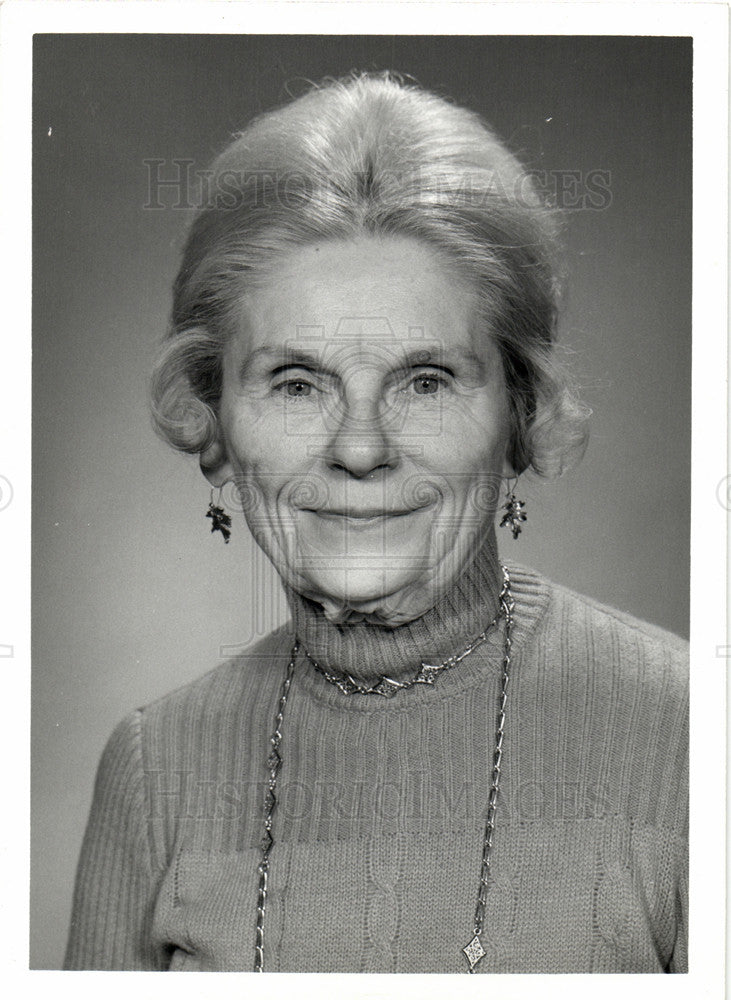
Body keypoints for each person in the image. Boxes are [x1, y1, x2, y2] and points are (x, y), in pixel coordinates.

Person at [63, 72, 688, 973]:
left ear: (519, 415)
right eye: (296, 383)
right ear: (212, 423)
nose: (359, 447)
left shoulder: (692, 735)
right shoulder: (154, 765)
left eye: (425, 381)